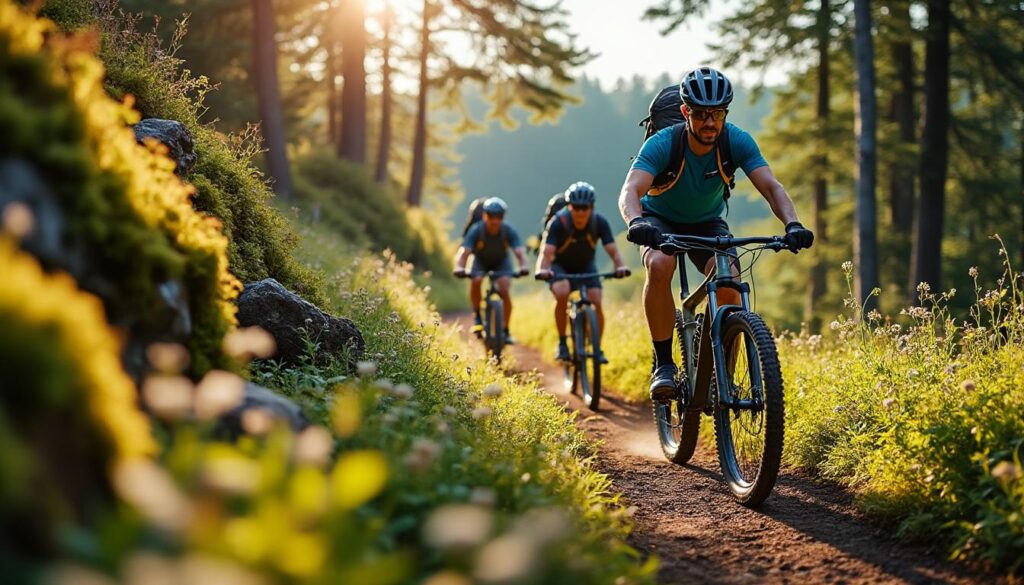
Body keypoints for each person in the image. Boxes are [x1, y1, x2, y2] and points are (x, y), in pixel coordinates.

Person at [618, 67, 814, 401]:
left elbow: (771, 186)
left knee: (729, 285)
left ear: (726, 113)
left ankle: (719, 374)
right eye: (701, 114)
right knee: (661, 264)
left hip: (707, 222)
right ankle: (664, 364)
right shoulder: (664, 143)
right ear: (685, 112)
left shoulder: (735, 140)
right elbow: (630, 191)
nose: (710, 122)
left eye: (718, 114)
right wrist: (636, 222)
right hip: (658, 220)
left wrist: (792, 224)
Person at [535, 182, 629, 362]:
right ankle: (562, 343)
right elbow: (546, 253)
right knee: (562, 292)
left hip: (586, 266)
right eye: (576, 207)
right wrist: (542, 269)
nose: (580, 212)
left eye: (584, 207)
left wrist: (620, 266)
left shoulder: (598, 222)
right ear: (569, 206)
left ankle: (597, 347)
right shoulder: (558, 222)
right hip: (559, 267)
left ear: (591, 207)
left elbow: (614, 251)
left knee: (596, 299)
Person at [453, 197, 530, 342]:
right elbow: (464, 253)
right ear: (484, 215)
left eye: (499, 216)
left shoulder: (508, 230)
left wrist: (524, 266)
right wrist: (459, 267)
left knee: (504, 288)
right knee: (475, 280)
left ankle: (506, 330)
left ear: (503, 217)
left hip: (501, 262)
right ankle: (477, 316)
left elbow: (519, 252)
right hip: (480, 261)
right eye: (491, 216)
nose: (494, 221)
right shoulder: (476, 230)